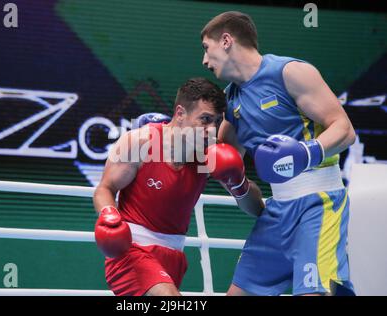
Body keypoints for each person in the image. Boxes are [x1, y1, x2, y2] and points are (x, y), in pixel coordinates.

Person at [200, 11, 356, 296]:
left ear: (226, 40)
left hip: (317, 204)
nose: (204, 60)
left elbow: (345, 129)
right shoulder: (231, 100)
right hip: (276, 211)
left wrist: (305, 152)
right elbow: (219, 159)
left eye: (206, 48)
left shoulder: (290, 72)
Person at [93, 77, 242, 296]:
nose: (211, 129)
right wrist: (109, 214)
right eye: (205, 119)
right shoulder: (139, 142)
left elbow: (249, 201)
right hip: (132, 250)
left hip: (173, 255)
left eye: (216, 122)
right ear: (180, 113)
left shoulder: (208, 156)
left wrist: (240, 181)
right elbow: (105, 189)